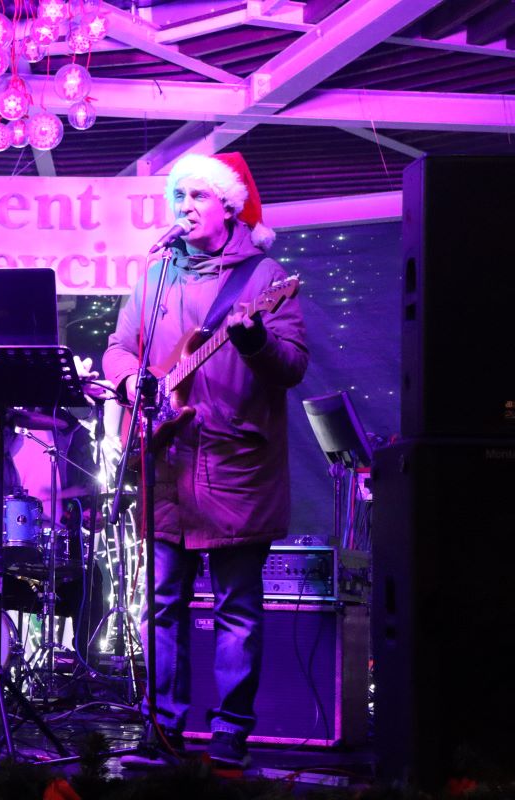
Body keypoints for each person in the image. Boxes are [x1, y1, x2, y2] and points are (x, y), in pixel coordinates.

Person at [102, 152, 307, 769]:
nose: (184, 207)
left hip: (236, 468)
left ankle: (228, 740)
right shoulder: (156, 274)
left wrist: (256, 339)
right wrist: (130, 381)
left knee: (235, 610)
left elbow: (293, 366)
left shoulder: (265, 277)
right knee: (161, 605)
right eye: (178, 197)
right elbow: (119, 347)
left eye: (197, 196)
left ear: (228, 205)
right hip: (167, 464)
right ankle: (162, 731)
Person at [0, 405, 106, 663]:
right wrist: (6, 504)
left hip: (57, 554)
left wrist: (89, 511)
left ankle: (85, 669)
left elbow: (89, 492)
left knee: (91, 580)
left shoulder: (71, 433)